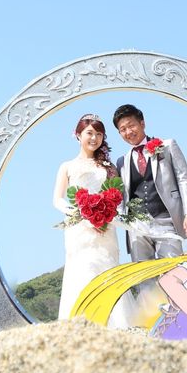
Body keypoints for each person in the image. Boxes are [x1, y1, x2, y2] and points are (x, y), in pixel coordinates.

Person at [53, 113, 135, 328]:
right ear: (78, 135)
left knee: (107, 269)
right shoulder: (67, 166)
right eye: (89, 133)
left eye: (99, 134)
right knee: (82, 271)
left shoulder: (108, 167)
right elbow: (57, 200)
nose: (94, 138)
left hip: (106, 229)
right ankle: (81, 326)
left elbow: (117, 198)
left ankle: (116, 326)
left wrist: (107, 218)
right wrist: (82, 216)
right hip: (79, 230)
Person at [113, 104, 187, 264]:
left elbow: (183, 178)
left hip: (166, 220)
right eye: (123, 129)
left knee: (174, 268)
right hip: (137, 226)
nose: (128, 132)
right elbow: (121, 196)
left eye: (131, 125)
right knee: (144, 275)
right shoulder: (121, 162)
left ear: (142, 123)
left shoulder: (167, 146)